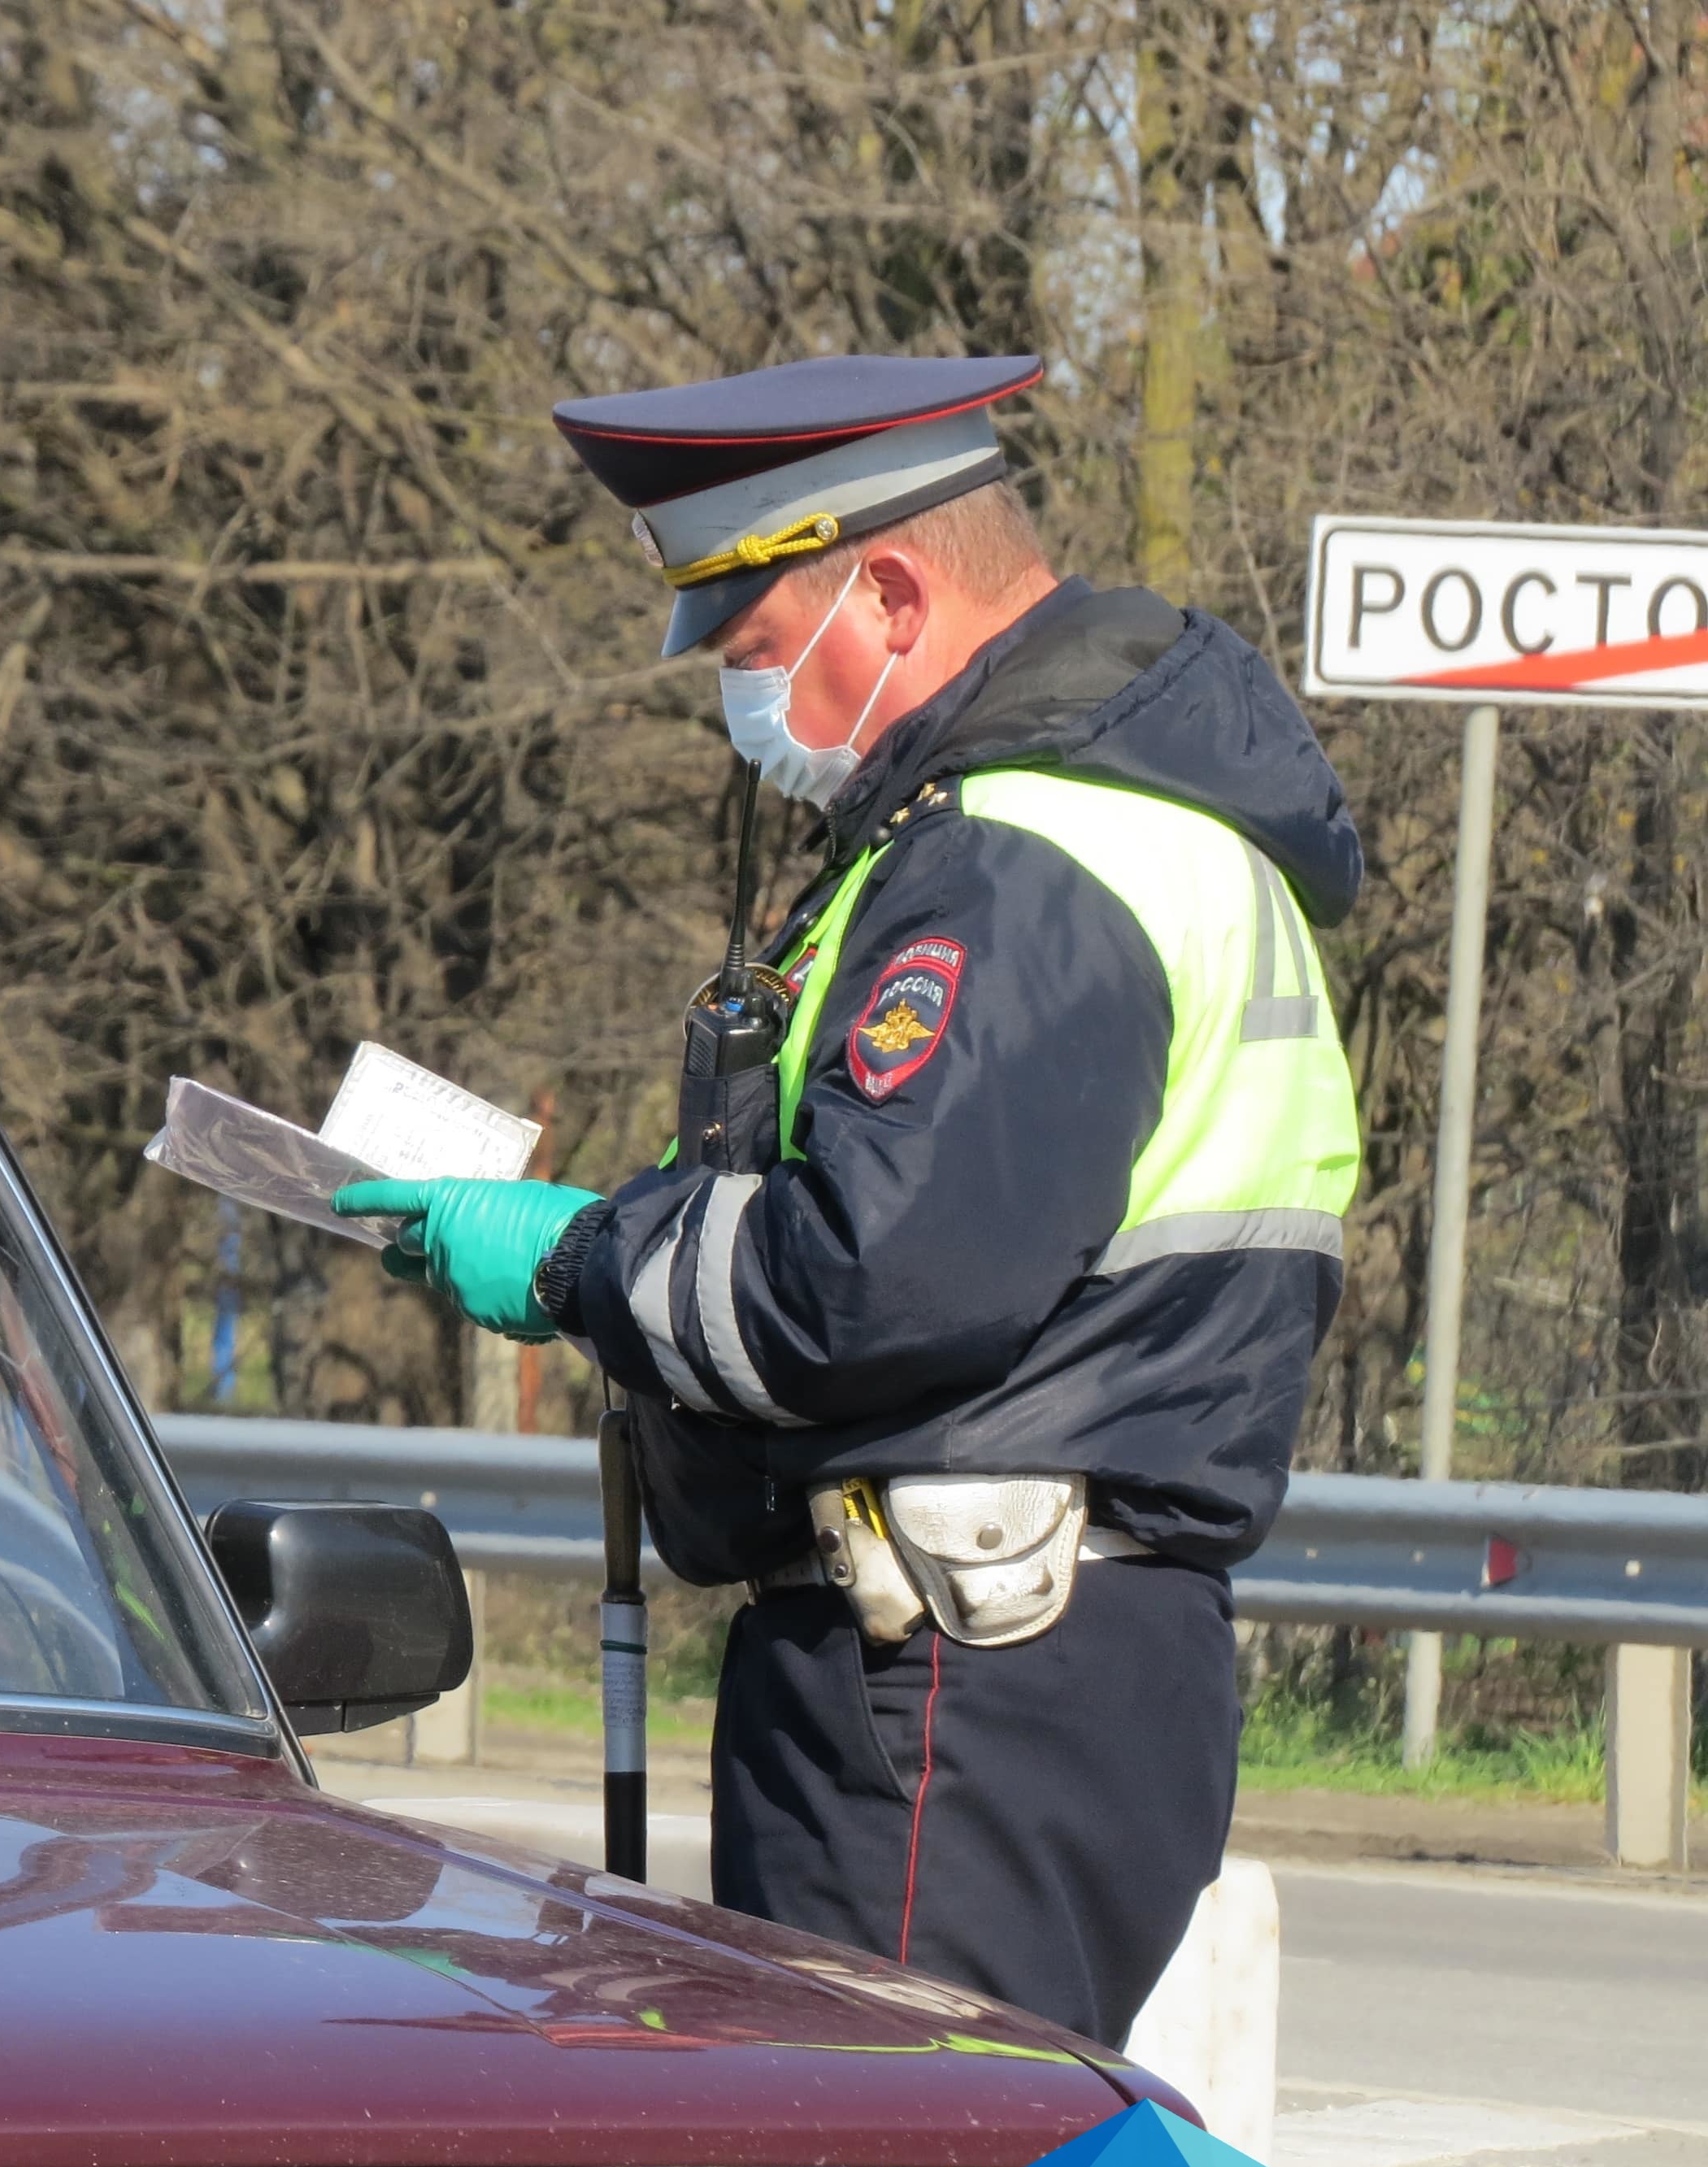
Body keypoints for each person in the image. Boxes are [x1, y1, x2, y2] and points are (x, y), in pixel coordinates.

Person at [337, 355, 1360, 2047]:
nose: (746, 712)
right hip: (1027, 1663)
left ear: (883, 593)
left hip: (948, 1679)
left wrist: (579, 1260)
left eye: (755, 653)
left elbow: (866, 1281)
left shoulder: (1016, 854)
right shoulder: (1125, 825)